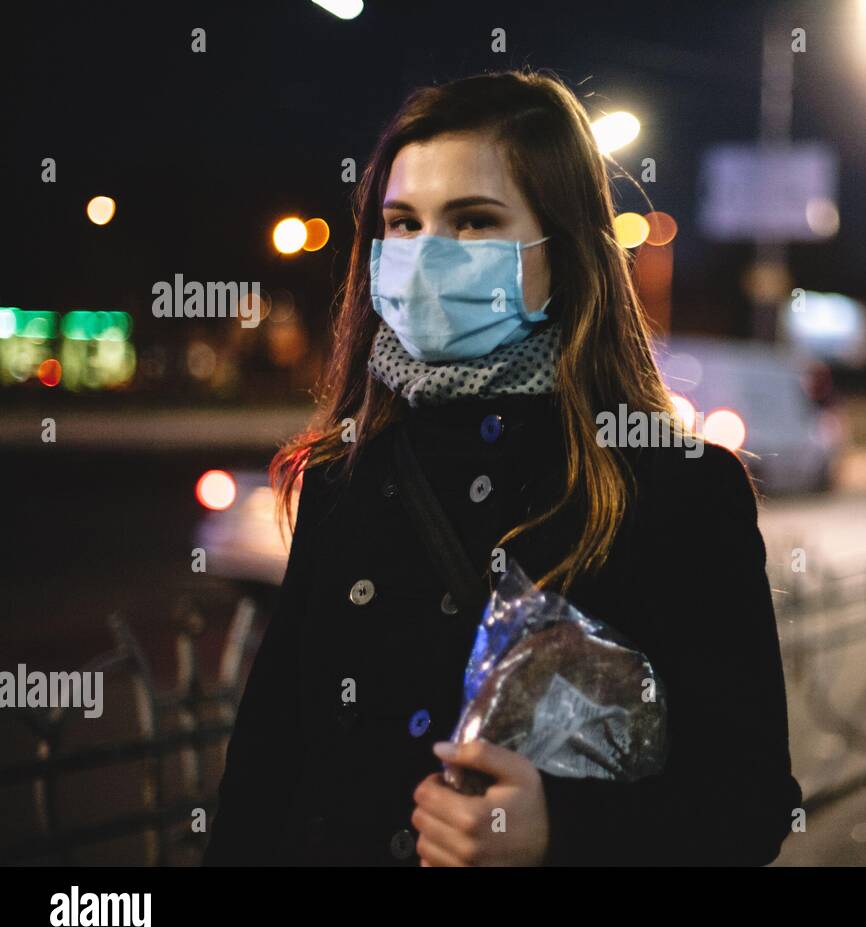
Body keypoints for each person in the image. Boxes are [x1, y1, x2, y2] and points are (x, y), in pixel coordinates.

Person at [203, 69, 802, 867]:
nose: (427, 257)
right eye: (404, 224)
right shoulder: (344, 476)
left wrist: (563, 832)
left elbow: (751, 804)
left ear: (563, 249)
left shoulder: (676, 487)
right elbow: (267, 768)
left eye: (475, 222)